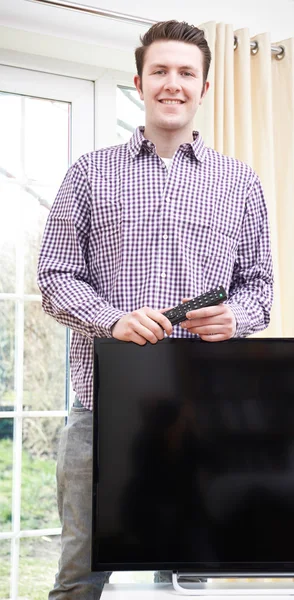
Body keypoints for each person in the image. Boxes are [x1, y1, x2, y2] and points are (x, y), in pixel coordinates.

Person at [37, 19, 273, 599]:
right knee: (79, 579)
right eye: (161, 71)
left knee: (192, 579)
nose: (174, 83)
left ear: (204, 87)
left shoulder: (241, 183)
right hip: (102, 412)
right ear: (139, 83)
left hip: (203, 415)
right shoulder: (88, 174)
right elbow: (53, 277)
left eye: (186, 73)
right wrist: (111, 319)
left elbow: (260, 290)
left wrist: (235, 317)